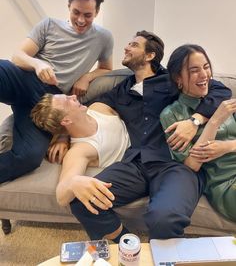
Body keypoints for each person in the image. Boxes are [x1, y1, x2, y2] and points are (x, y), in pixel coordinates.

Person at [67, 30, 232, 242]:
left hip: (175, 165)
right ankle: (128, 243)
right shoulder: (120, 91)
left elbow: (220, 91)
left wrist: (195, 120)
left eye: (134, 45)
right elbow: (81, 110)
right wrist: (62, 137)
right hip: (136, 163)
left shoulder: (174, 79)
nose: (126, 47)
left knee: (165, 219)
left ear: (150, 56)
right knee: (82, 200)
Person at [0, 0, 113, 183]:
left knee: (29, 157)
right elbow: (18, 55)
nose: (80, 19)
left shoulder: (104, 38)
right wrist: (37, 64)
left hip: (53, 101)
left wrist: (86, 77)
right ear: (68, 6)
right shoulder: (49, 25)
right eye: (76, 12)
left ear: (96, 13)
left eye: (87, 15)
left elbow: (106, 69)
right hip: (26, 79)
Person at [160, 44, 236, 222]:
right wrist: (214, 121)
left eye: (206, 67)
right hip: (225, 182)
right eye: (194, 70)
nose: (204, 75)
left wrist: (227, 146)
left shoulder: (221, 99)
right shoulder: (171, 114)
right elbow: (192, 164)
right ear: (178, 78)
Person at [30, 93, 130, 214]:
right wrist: (73, 182)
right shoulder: (79, 151)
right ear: (66, 120)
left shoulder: (98, 108)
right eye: (68, 100)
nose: (74, 96)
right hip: (138, 161)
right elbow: (61, 197)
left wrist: (62, 137)